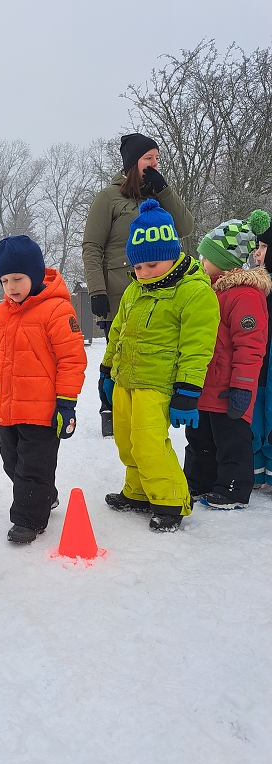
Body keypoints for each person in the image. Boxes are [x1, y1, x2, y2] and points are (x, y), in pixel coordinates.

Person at [100, 199, 219, 532]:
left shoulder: (194, 292)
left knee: (150, 442)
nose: (144, 273)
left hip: (159, 383)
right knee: (126, 441)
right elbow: (118, 331)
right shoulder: (135, 291)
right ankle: (138, 491)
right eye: (138, 267)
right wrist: (106, 370)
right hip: (127, 379)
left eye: (152, 265)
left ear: (173, 253)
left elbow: (197, 347)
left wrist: (188, 390)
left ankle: (171, 499)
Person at [83, 133, 194, 436]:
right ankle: (111, 407)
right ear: (133, 163)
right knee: (117, 354)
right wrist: (96, 291)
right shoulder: (109, 198)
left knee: (148, 355)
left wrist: (165, 191)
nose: (155, 164)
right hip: (118, 293)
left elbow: (186, 228)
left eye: (157, 158)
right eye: (149, 158)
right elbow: (92, 246)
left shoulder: (157, 198)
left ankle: (144, 410)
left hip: (157, 292)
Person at [0, 236, 87, 543]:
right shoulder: (2, 313)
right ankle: (46, 493)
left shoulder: (56, 310)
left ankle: (28, 520)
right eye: (5, 280)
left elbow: (72, 359)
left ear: (35, 273)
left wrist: (66, 403)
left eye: (17, 278)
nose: (11, 287)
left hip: (42, 412)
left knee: (32, 467)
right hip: (9, 409)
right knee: (11, 461)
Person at [184, 211, 271, 509]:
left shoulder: (244, 295)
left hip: (228, 388)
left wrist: (243, 387)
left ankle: (234, 488)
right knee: (199, 439)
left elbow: (250, 345)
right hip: (205, 385)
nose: (201, 260)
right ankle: (197, 482)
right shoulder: (208, 291)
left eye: (206, 256)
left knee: (231, 441)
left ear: (226, 261)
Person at [251, 223, 272, 489]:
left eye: (264, 246)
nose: (258, 252)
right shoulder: (259, 284)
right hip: (261, 361)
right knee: (257, 416)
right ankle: (257, 473)